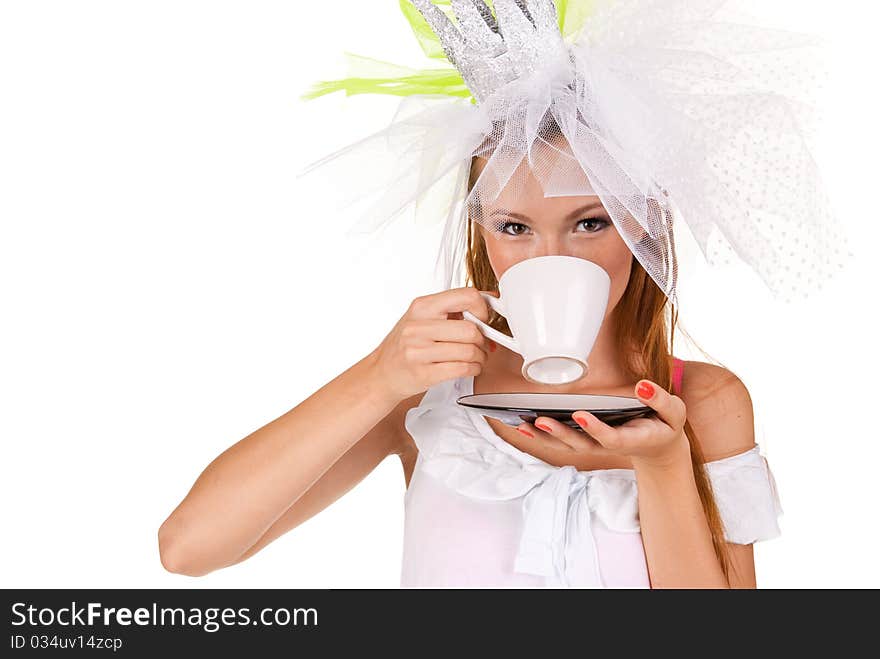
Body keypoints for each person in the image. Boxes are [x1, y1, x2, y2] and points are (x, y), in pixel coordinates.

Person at [158, 0, 839, 588]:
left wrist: (660, 464)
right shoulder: (431, 395)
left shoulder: (706, 403)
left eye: (589, 222)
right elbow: (189, 547)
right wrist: (378, 377)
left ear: (641, 225)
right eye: (516, 226)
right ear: (484, 234)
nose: (549, 257)